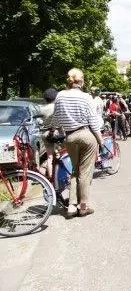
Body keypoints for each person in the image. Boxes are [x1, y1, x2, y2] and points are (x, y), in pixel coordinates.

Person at [49, 68, 103, 217]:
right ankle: (83, 205)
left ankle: (72, 206)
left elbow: (56, 117)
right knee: (85, 173)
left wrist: (53, 131)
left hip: (70, 137)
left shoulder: (60, 95)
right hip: (86, 135)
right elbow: (93, 120)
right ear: (81, 81)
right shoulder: (86, 97)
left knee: (75, 170)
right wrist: (100, 140)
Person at [40, 88, 58, 179]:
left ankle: (50, 176)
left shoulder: (41, 108)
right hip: (56, 133)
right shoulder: (56, 108)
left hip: (45, 133)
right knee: (61, 154)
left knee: (49, 157)